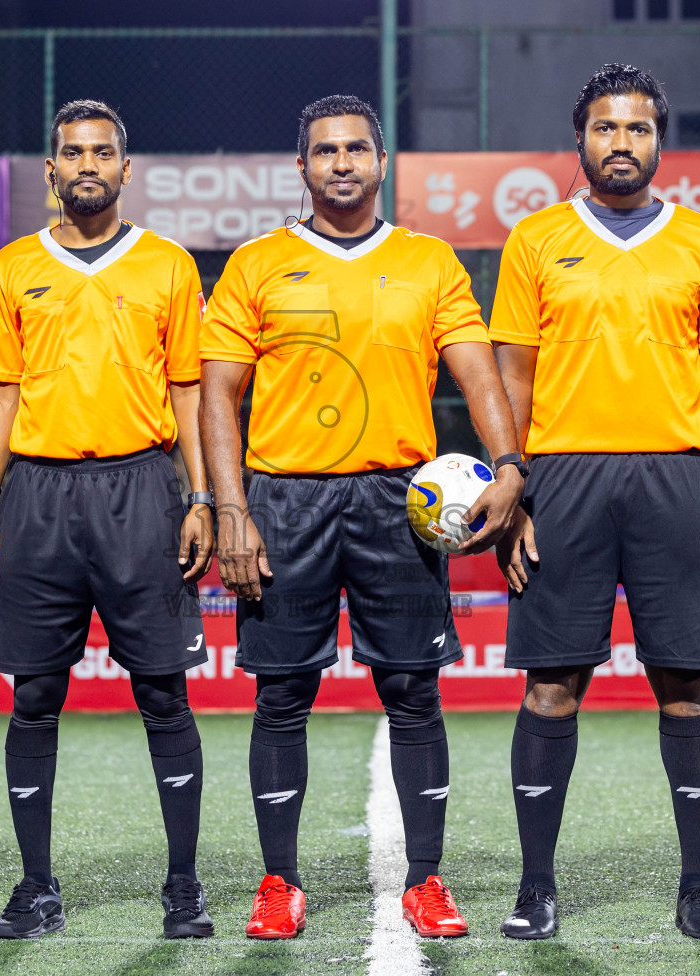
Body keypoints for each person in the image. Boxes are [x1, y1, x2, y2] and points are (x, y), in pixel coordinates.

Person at [200, 95, 524, 940]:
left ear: (381, 163)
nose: (340, 162)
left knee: (413, 691)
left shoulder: (429, 261)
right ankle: (279, 882)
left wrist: (511, 465)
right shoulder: (256, 264)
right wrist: (231, 509)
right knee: (281, 696)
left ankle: (426, 881)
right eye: (324, 150)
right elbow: (217, 396)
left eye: (355, 149)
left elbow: (477, 373)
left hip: (398, 505)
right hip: (284, 499)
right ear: (301, 167)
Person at [488, 63, 700, 941]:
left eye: (638, 128)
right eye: (605, 127)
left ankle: (698, 888)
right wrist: (511, 484)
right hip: (562, 478)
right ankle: (536, 887)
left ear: (659, 141)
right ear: (580, 138)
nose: (621, 142)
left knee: (686, 684)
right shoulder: (535, 239)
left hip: (675, 479)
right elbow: (513, 375)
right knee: (551, 687)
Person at [0, 100, 215, 941]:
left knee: (163, 692)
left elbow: (188, 390)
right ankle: (36, 886)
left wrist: (201, 497)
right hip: (37, 495)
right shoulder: (13, 267)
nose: (87, 166)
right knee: (36, 694)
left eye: (102, 153)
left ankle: (183, 885)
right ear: (51, 170)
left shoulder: (169, 265)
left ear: (125, 169)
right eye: (72, 153)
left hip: (142, 489)